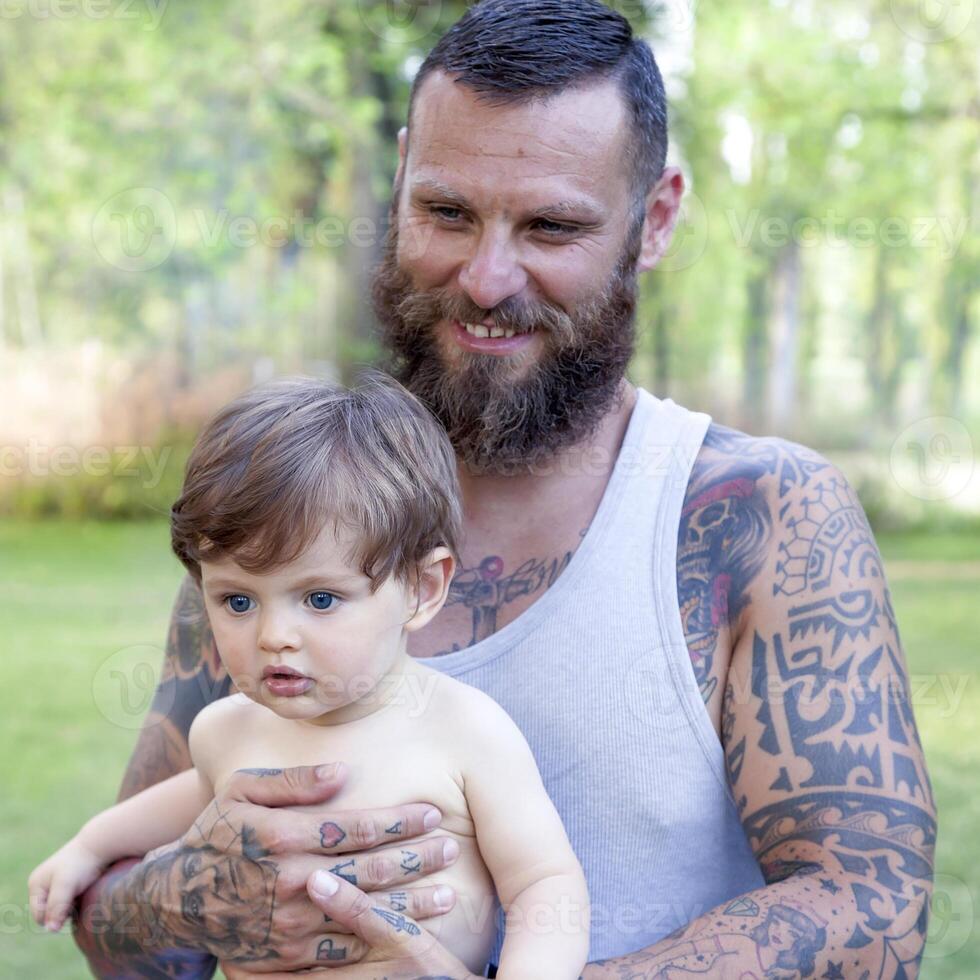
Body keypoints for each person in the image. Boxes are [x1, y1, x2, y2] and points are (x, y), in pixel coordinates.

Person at [70, 1, 936, 978]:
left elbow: (872, 903)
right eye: (445, 212)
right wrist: (191, 896)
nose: (485, 278)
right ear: (398, 182)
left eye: (550, 225)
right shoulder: (282, 527)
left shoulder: (757, 515)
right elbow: (117, 915)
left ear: (652, 220)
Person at [31, 376, 589, 979]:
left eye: (320, 599)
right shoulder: (226, 731)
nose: (274, 636)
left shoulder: (461, 730)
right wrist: (92, 844)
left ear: (423, 589)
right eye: (237, 602)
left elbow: (543, 884)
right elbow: (188, 798)